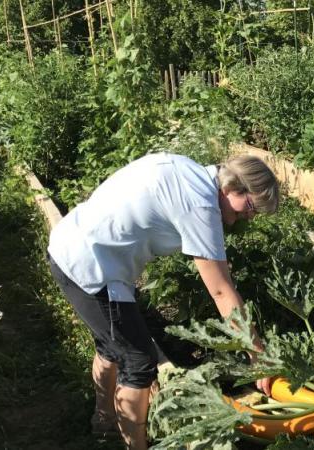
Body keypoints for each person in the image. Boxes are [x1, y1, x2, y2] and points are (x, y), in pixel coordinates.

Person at [47, 152, 279, 450]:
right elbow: (221, 292)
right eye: (250, 206)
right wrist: (258, 355)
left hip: (73, 245)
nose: (250, 216)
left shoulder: (190, 171)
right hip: (90, 265)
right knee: (139, 361)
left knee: (111, 345)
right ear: (233, 187)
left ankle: (103, 423)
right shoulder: (200, 205)